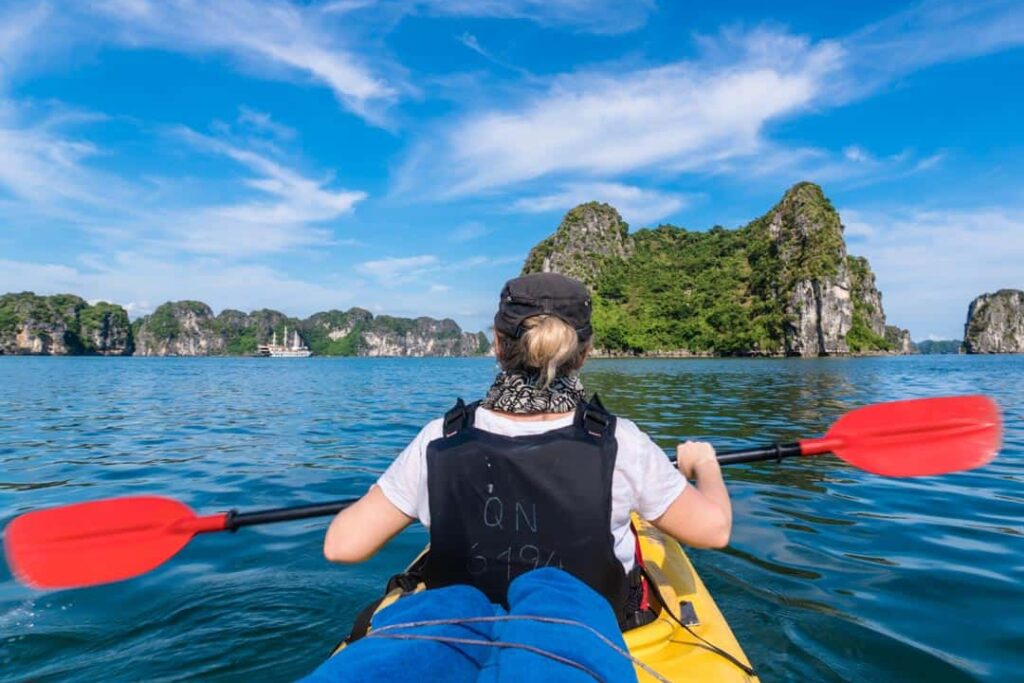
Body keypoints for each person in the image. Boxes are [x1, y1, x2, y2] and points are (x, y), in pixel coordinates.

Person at [323, 272, 732, 625]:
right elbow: (714, 530)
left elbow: (341, 545)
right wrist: (705, 463)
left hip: (464, 634)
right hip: (585, 641)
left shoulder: (440, 438)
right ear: (585, 353)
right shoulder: (618, 441)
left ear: (498, 346)